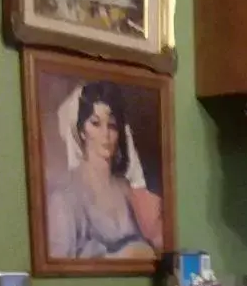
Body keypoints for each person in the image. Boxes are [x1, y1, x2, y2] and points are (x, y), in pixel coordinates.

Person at [48, 80, 162, 259]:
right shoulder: (65, 196)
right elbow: (59, 264)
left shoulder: (126, 191)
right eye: (95, 123)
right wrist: (124, 255)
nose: (106, 134)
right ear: (82, 130)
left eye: (112, 125)